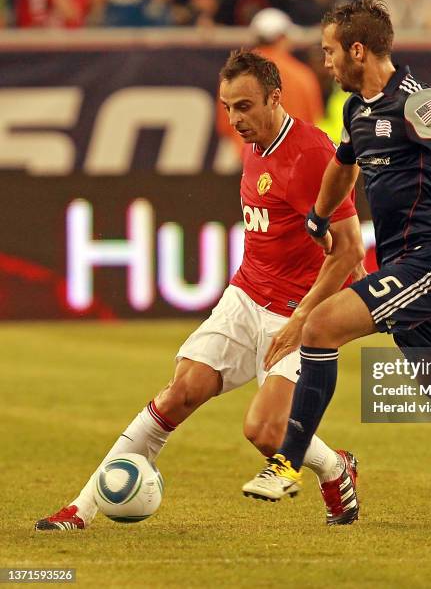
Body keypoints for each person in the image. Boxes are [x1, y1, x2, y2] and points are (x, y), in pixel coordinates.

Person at [243, 0, 431, 528]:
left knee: (319, 327)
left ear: (357, 50)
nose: (326, 62)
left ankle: (288, 462)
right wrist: (317, 218)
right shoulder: (357, 110)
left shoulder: (415, 101)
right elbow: (344, 167)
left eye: (331, 51)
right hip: (404, 261)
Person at [35, 50, 365, 531]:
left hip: (299, 310)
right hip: (245, 295)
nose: (234, 119)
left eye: (245, 106)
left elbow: (351, 251)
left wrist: (301, 320)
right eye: (228, 106)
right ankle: (80, 509)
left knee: (265, 431)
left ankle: (335, 468)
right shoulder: (254, 146)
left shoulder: (312, 154)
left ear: (277, 98)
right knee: (178, 394)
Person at [215, 8, 325, 174]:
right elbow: (313, 122)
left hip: (249, 163)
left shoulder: (234, 77)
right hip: (293, 165)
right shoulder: (303, 76)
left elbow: (225, 126)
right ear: (282, 38)